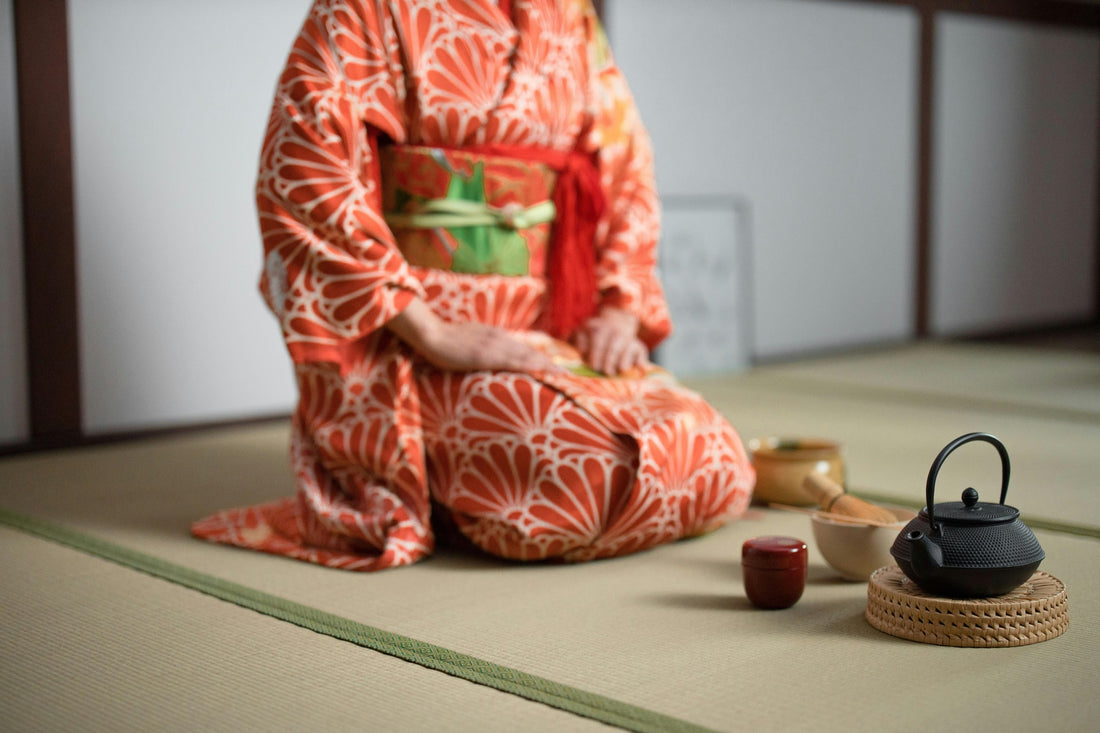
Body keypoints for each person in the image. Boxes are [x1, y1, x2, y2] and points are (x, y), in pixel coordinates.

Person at [191, 0, 755, 571]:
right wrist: (431, 331)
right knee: (590, 468)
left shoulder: (568, 12)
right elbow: (307, 171)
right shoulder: (364, 9)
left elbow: (624, 165)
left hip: (550, 331)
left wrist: (619, 312)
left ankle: (469, 488)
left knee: (716, 452)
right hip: (411, 350)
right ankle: (429, 482)